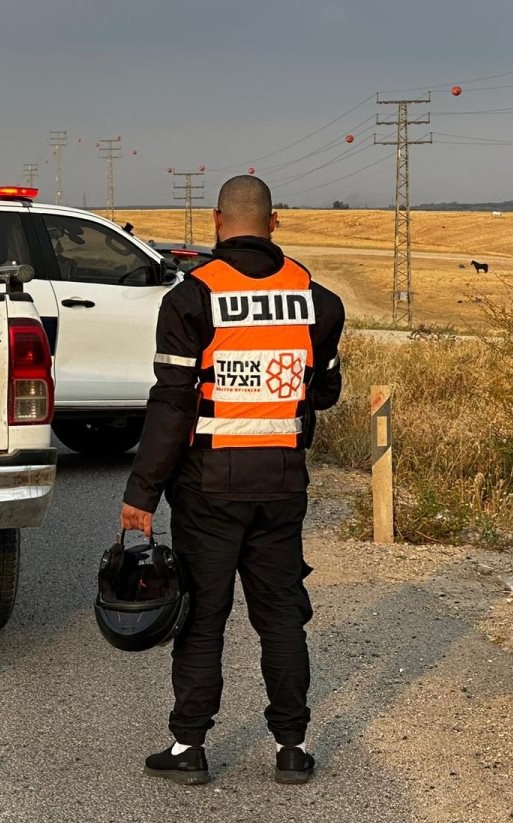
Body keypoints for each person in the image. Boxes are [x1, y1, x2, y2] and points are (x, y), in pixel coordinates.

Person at [119, 175, 344, 786]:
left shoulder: (191, 298)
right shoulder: (318, 301)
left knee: (203, 617)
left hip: (208, 488)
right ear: (274, 223)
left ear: (218, 222)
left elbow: (172, 405)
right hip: (282, 484)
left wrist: (141, 493)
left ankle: (188, 747)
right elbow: (325, 392)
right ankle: (292, 748)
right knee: (281, 617)